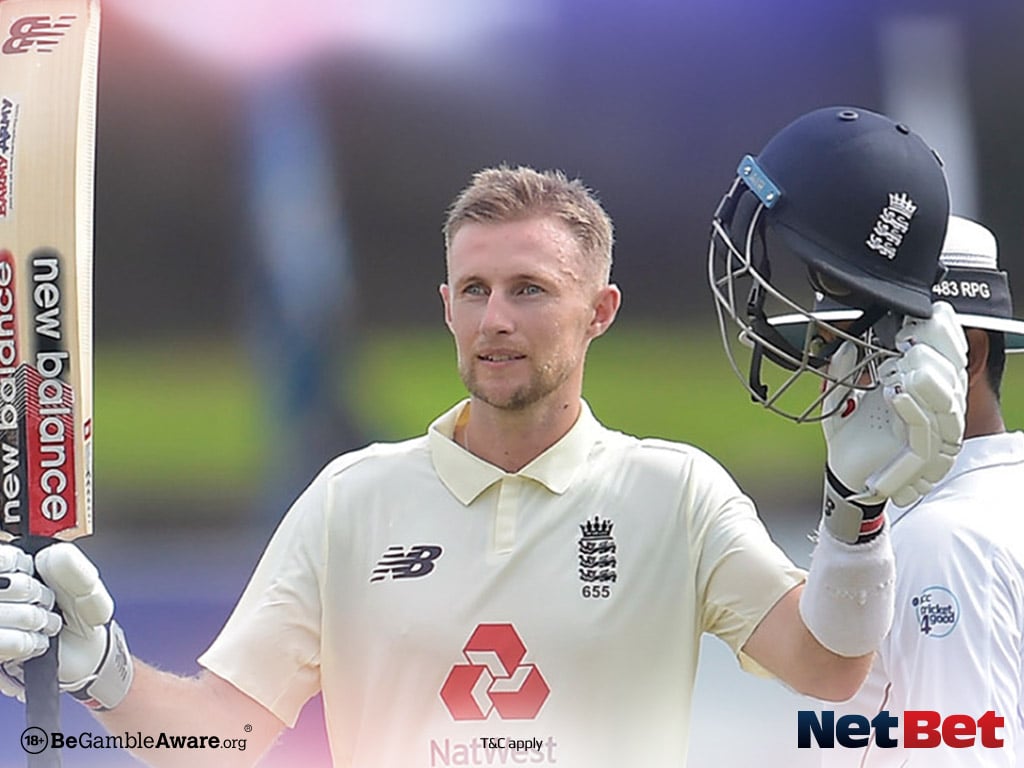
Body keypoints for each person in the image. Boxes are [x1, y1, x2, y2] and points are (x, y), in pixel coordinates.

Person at [0, 109, 968, 767]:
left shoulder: (676, 494)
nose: (496, 318)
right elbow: (224, 739)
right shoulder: (352, 499)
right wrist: (104, 677)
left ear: (600, 312)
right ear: (446, 306)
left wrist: (855, 512)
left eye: (530, 290)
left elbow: (830, 666)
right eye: (474, 290)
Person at [774, 214, 1024, 766]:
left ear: (968, 355)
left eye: (862, 351)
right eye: (830, 350)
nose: (833, 382)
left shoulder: (946, 540)